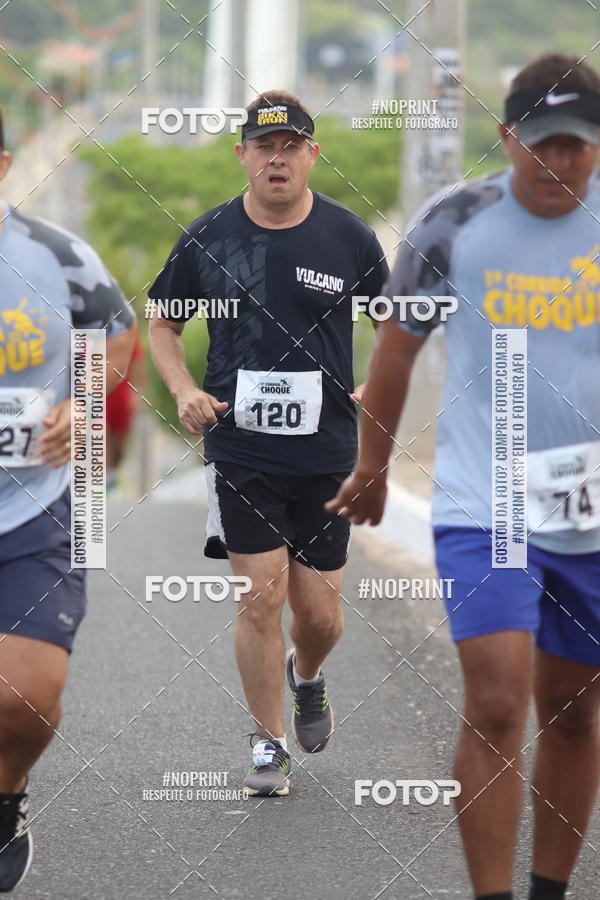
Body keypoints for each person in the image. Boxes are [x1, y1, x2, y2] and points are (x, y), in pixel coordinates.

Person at [327, 54, 600, 900]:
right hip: (488, 500)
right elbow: (396, 352)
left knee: (575, 712)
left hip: (590, 511)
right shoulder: (453, 222)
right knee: (496, 701)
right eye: (543, 143)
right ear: (508, 135)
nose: (559, 161)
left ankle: (550, 889)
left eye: (578, 144)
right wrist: (373, 467)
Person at [148, 90, 387, 797]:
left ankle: (306, 674)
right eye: (263, 147)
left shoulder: (348, 236)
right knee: (259, 600)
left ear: (312, 155)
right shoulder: (208, 237)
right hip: (241, 450)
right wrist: (183, 389)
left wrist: (380, 382)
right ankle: (267, 742)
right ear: (242, 155)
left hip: (328, 451)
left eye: (290, 147)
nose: (276, 159)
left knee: (318, 615)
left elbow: (400, 318)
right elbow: (162, 322)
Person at [0, 109, 137, 890]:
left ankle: (6, 793)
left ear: (3, 165)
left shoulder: (55, 255)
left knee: (25, 698)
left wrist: (82, 405)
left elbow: (116, 333)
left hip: (34, 507)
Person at [106, 333, 146, 491]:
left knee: (118, 438)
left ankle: (112, 474)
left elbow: (137, 361)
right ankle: (101, 477)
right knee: (100, 431)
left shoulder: (125, 328)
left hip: (120, 392)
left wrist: (138, 393)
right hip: (95, 389)